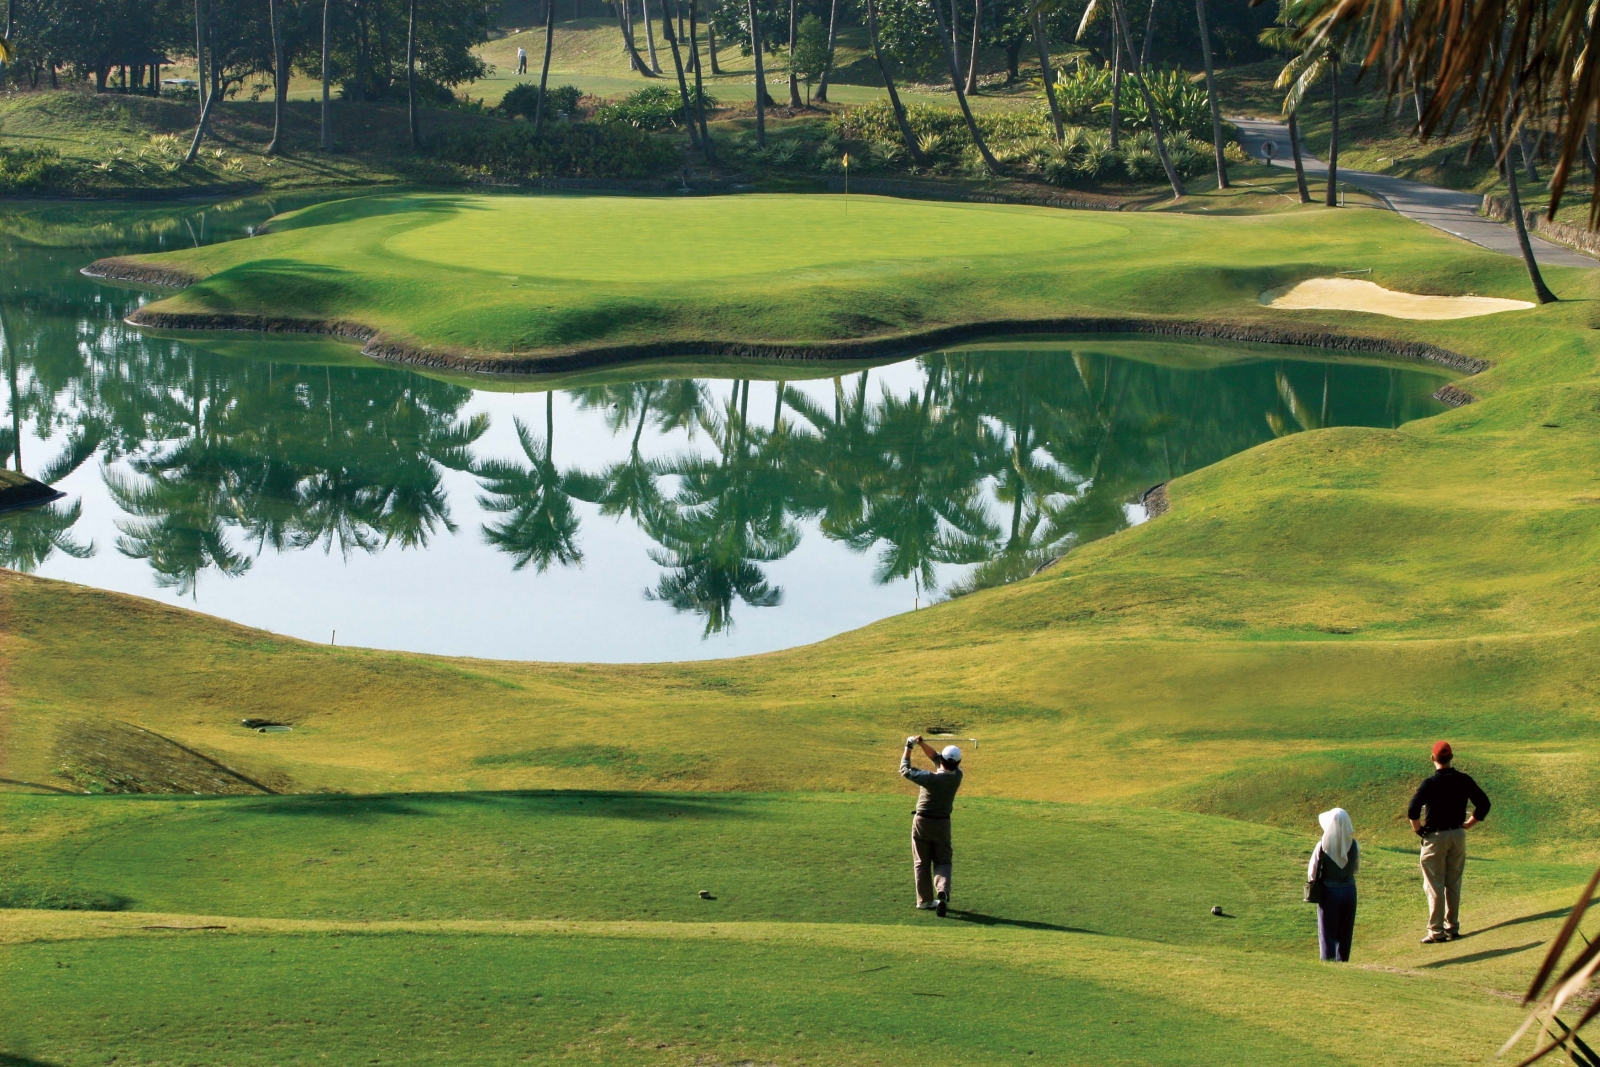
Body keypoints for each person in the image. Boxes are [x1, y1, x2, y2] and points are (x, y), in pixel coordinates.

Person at [1407, 741, 1491, 944]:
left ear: (1432, 758)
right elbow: (1483, 803)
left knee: (1434, 884)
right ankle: (1452, 927)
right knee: (1453, 882)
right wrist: (1469, 824)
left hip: (1436, 837)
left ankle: (1436, 932)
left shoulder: (1430, 783)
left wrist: (1419, 830)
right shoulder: (1463, 780)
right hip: (1457, 835)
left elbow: (1413, 810)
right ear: (1451, 757)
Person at [900, 735, 963, 917]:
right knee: (943, 860)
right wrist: (921, 744)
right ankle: (942, 891)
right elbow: (937, 758)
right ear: (957, 763)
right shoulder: (957, 776)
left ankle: (925, 900)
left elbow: (904, 769)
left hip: (923, 822)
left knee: (921, 862)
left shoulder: (929, 778)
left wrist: (909, 746)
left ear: (943, 760)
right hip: (943, 823)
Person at [1308, 807, 1359, 962]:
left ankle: (1328, 961)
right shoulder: (1354, 845)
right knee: (1345, 929)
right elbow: (1356, 868)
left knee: (1327, 931)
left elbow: (1312, 872)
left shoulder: (1322, 846)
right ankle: (1342, 960)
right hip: (1349, 890)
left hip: (1329, 891)